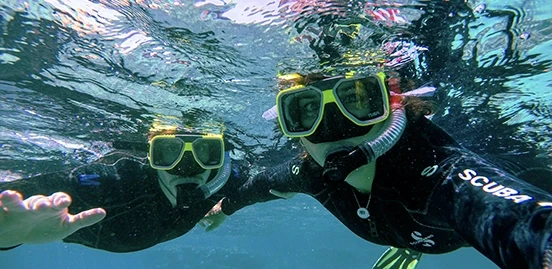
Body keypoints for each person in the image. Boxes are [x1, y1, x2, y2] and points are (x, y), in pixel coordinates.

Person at [201, 71, 552, 269]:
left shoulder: (442, 175)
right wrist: (224, 208)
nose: (334, 127)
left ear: (393, 107)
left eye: (357, 99)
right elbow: (260, 184)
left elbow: (521, 222)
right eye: (306, 110)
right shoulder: (309, 173)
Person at [0, 123, 248, 252]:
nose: (187, 168)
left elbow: (268, 181)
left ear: (220, 156)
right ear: (152, 157)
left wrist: (228, 207)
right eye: (168, 152)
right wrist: (10, 235)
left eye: (206, 152)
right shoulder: (113, 182)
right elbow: (12, 202)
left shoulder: (227, 177)